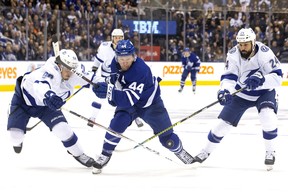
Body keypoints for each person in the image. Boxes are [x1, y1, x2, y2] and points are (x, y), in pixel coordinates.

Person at [91, 40, 195, 174]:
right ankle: (105, 154)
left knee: (167, 138)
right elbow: (114, 82)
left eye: (128, 59)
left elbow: (129, 99)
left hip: (151, 104)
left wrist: (109, 94)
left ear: (133, 57)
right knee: (116, 125)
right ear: (117, 57)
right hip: (130, 102)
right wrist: (106, 88)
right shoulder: (114, 64)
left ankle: (180, 152)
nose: (125, 62)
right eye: (121, 59)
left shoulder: (140, 70)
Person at [191, 28, 283, 171]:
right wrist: (225, 91)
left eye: (245, 44)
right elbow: (229, 77)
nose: (242, 47)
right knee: (222, 126)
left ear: (253, 42)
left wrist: (261, 80)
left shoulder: (265, 53)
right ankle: (205, 151)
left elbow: (278, 77)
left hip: (264, 93)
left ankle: (270, 151)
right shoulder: (233, 54)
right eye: (240, 44)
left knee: (268, 116)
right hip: (241, 94)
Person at [7, 49, 102, 168]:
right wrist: (49, 95)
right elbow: (40, 85)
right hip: (23, 102)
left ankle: (79, 153)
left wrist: (102, 84)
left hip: (46, 106)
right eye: (67, 69)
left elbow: (91, 78)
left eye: (72, 70)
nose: (70, 73)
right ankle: (13, 122)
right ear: (60, 66)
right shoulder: (49, 71)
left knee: (63, 129)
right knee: (15, 138)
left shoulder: (72, 72)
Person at [88, 28, 144, 128]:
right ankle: (92, 118)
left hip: (119, 77)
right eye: (116, 37)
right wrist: (93, 71)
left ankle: (136, 117)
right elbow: (97, 60)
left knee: (126, 96)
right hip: (105, 77)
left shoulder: (126, 47)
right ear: (112, 38)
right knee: (99, 95)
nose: (118, 39)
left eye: (120, 37)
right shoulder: (104, 47)